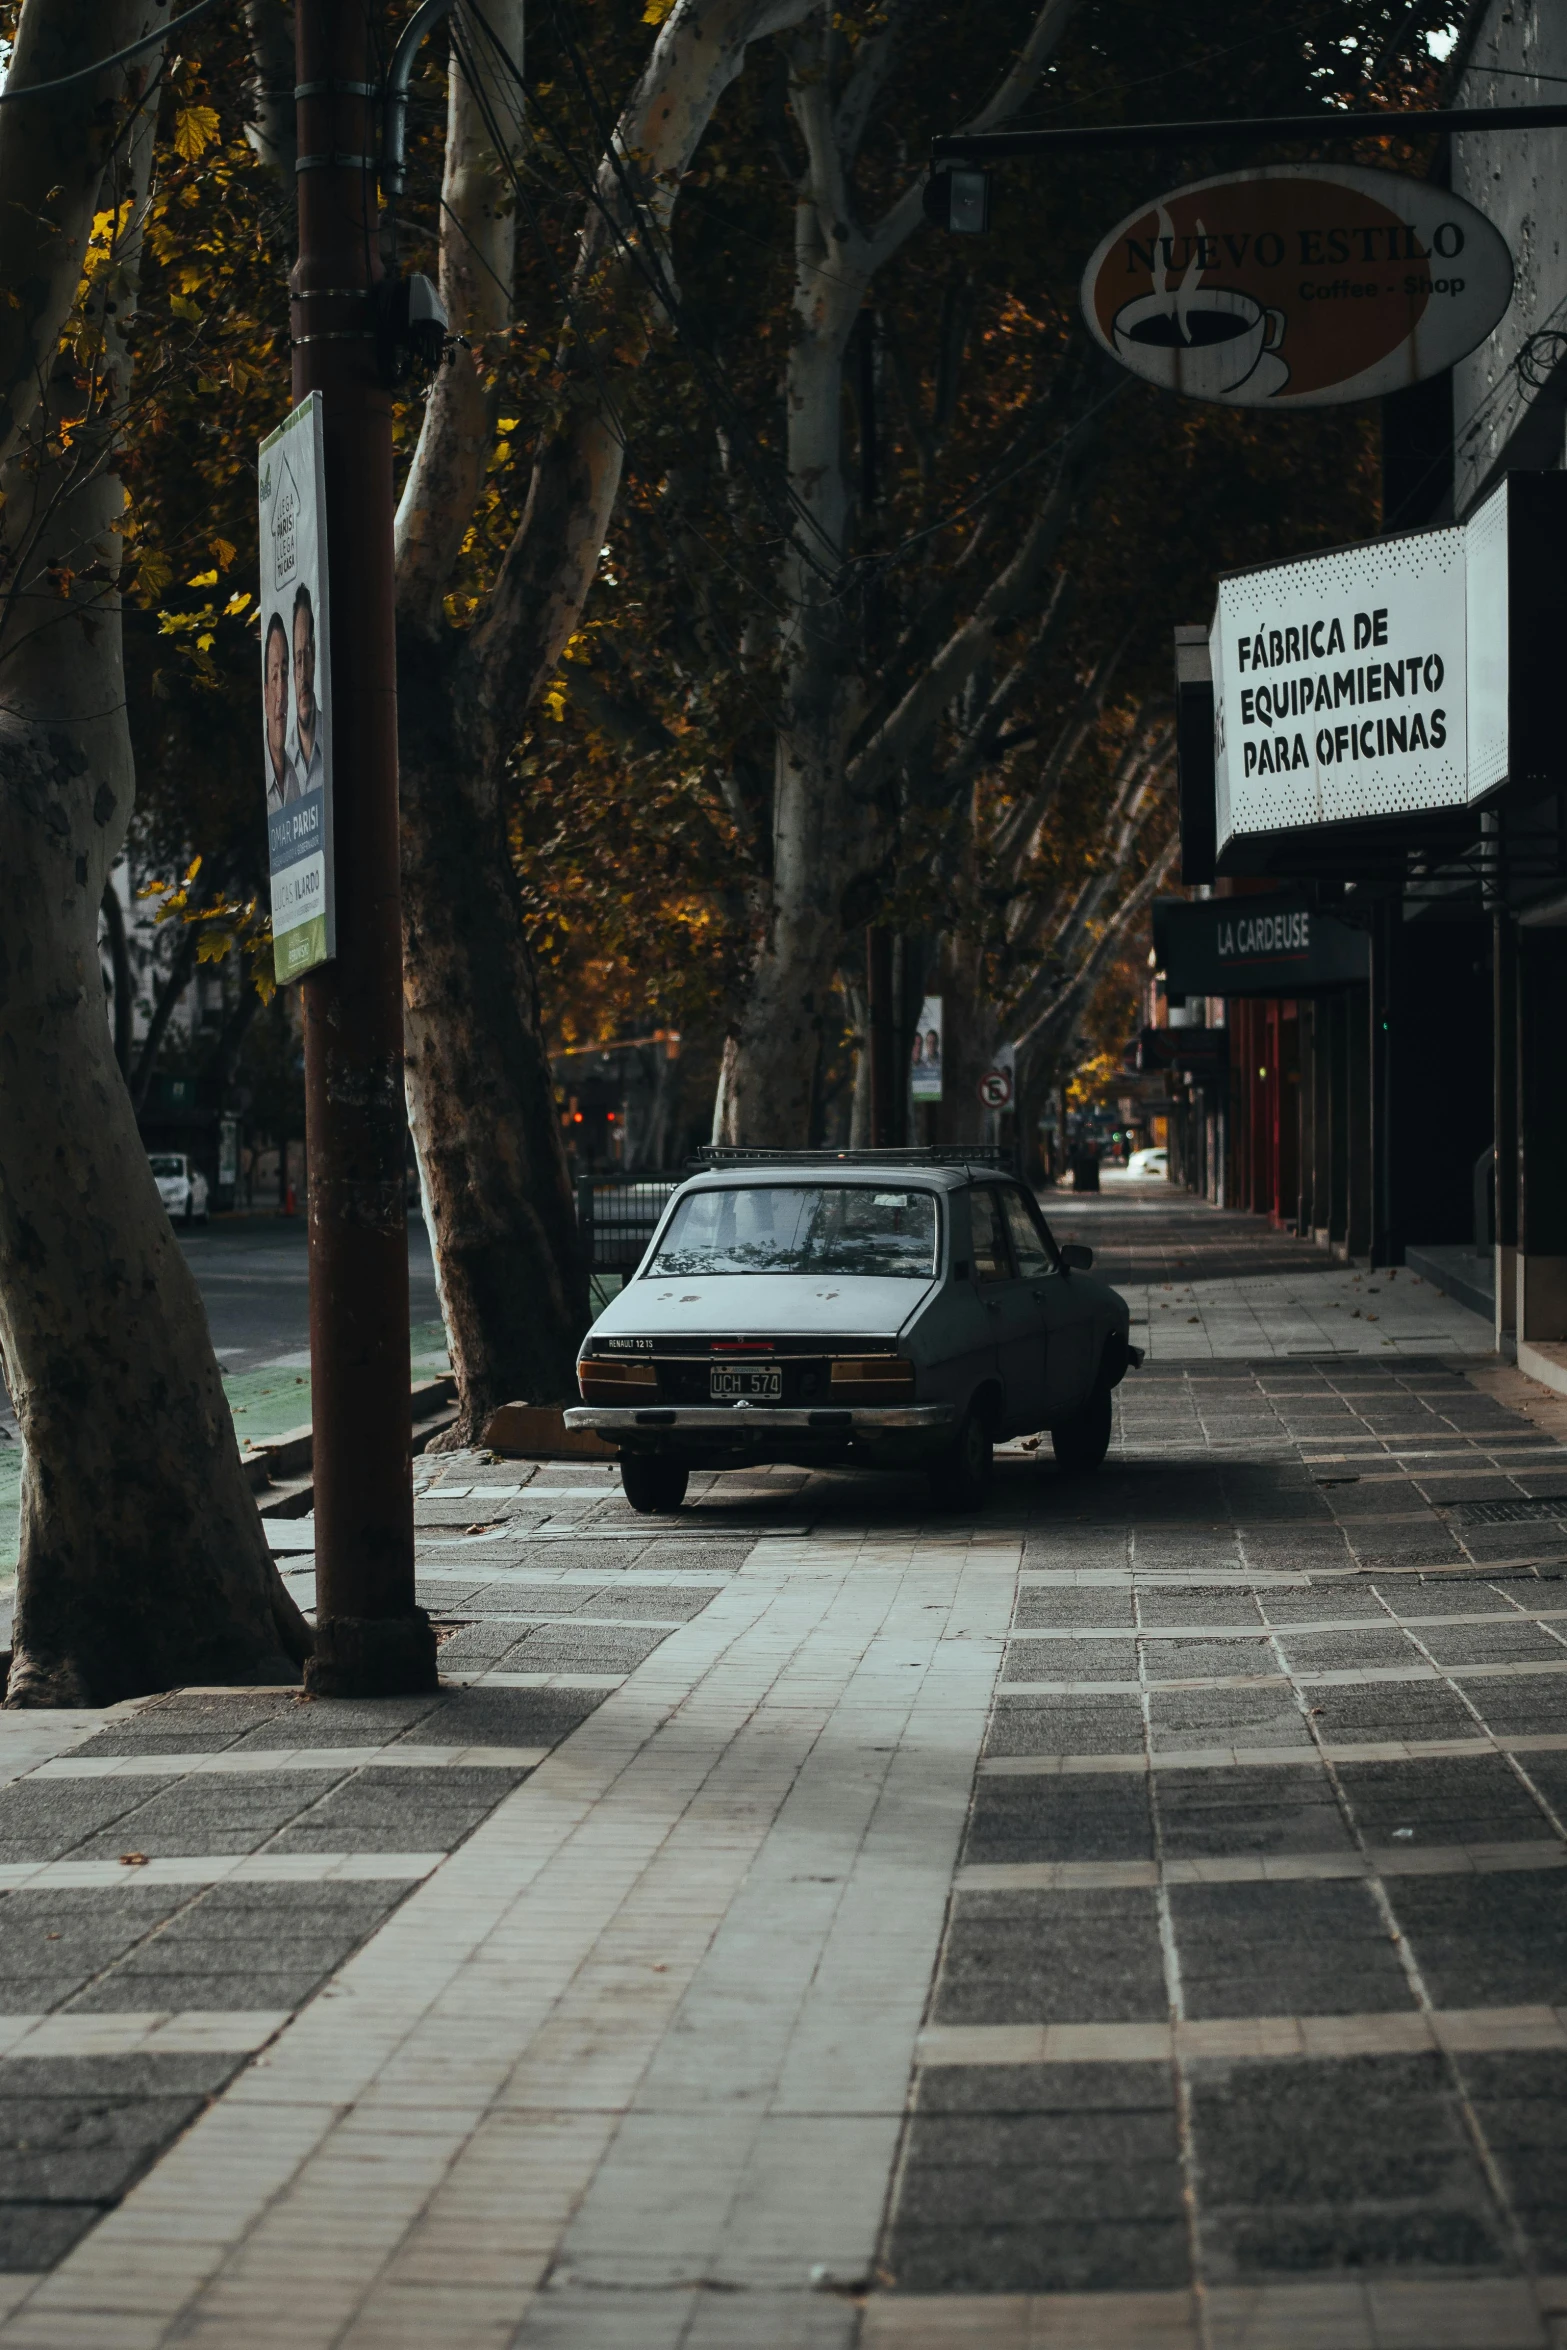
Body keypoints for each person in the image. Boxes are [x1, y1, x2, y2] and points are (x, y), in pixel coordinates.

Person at [263, 612, 298, 813]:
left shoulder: (296, 776)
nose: (281, 694)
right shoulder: (259, 777)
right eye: (274, 676)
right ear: (266, 693)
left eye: (284, 674)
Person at [291, 582, 324, 792]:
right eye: (297, 658)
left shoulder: (335, 736)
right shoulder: (283, 764)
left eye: (308, 653)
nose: (303, 672)